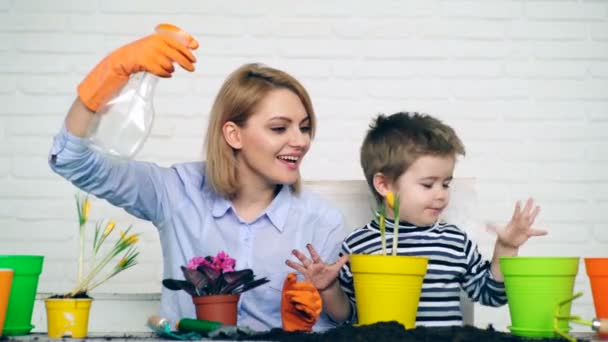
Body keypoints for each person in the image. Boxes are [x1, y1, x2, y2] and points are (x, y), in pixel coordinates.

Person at [48, 26, 348, 332]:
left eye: (305, 127)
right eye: (279, 128)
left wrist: (327, 294)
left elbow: (342, 320)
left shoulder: (320, 221)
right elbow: (73, 161)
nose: (300, 141)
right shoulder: (176, 191)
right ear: (233, 135)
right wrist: (113, 71)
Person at [288, 112, 547, 327]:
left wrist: (507, 248)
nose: (441, 195)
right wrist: (330, 289)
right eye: (427, 184)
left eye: (446, 184)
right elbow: (350, 316)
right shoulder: (358, 246)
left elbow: (491, 295)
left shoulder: (454, 242)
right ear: (384, 185)